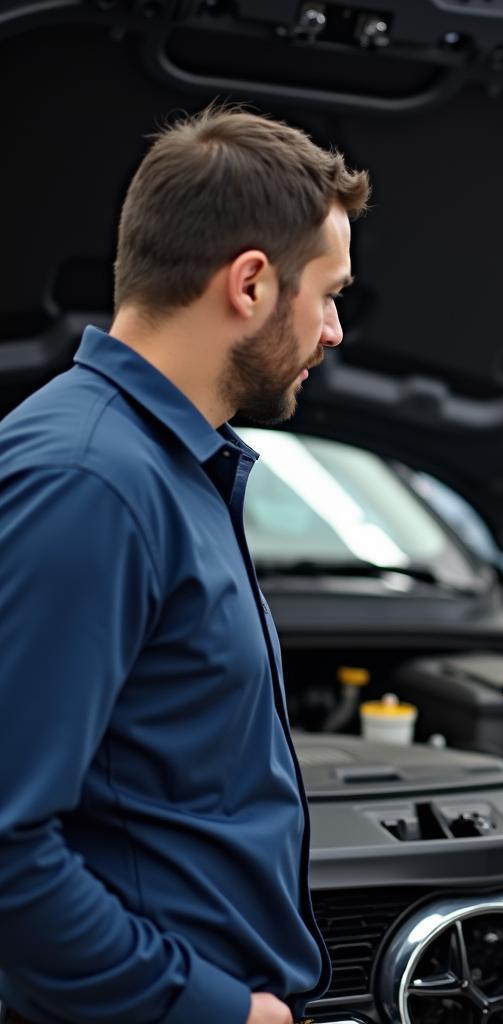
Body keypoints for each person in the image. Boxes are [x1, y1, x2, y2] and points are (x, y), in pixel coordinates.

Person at [0, 106, 368, 1024]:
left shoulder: (162, 462)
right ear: (249, 283)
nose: (333, 331)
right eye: (329, 293)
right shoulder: (88, 479)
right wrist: (211, 1010)